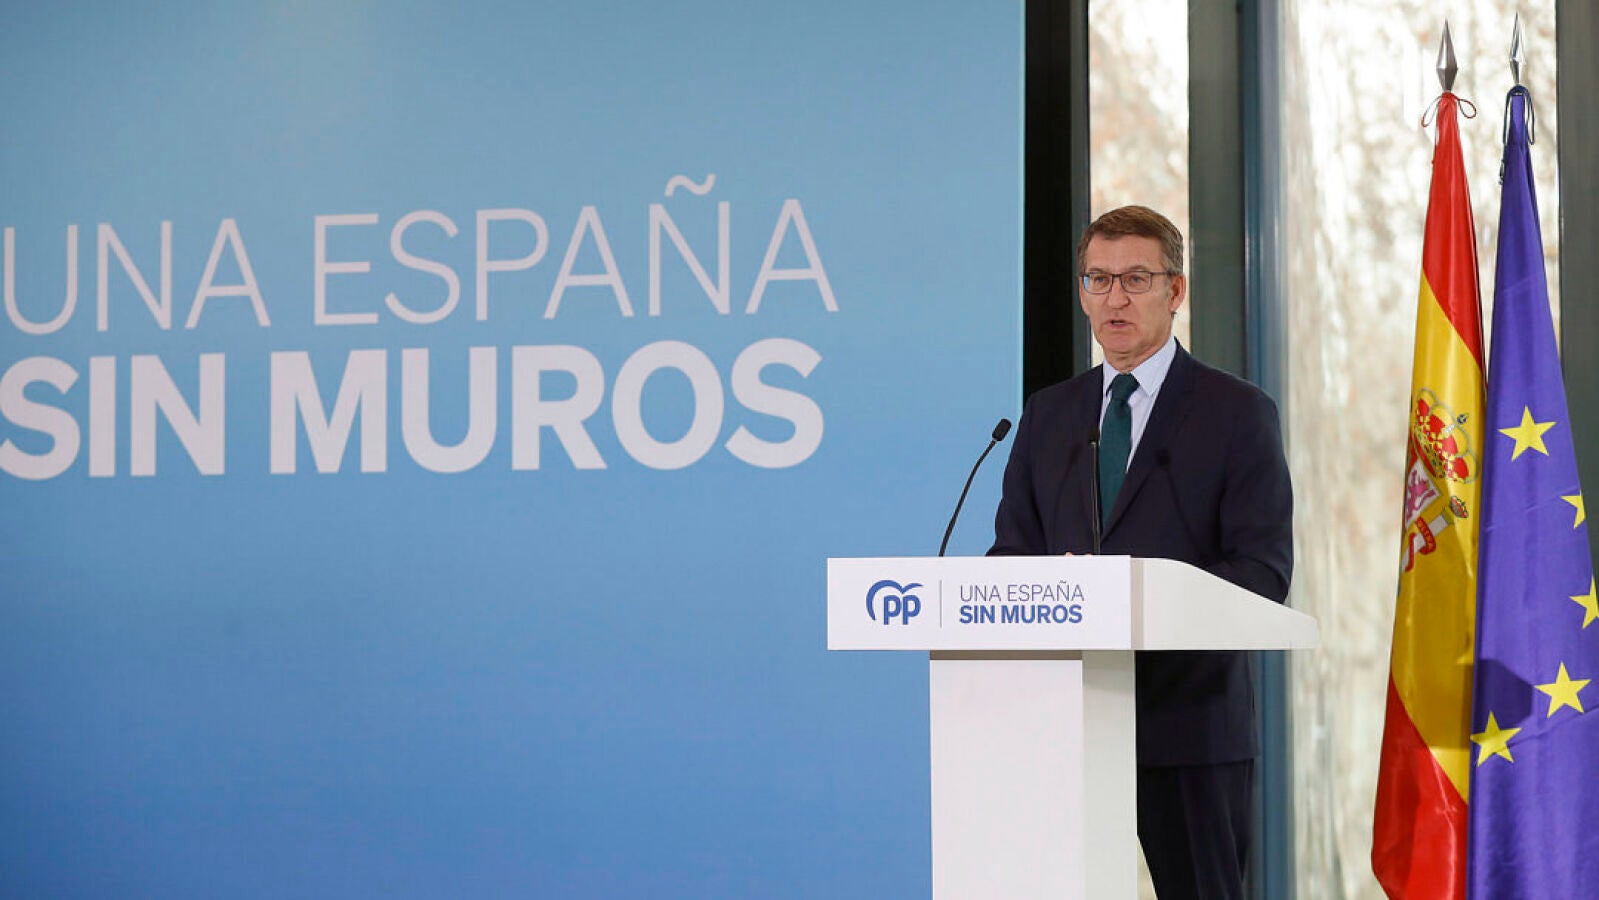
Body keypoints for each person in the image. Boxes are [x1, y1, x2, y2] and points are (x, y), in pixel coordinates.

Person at [989, 205, 1293, 898]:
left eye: (1135, 279)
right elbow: (1011, 557)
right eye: (1097, 279)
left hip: (1189, 725)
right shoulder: (1049, 414)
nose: (1114, 299)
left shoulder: (1235, 412)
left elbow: (1261, 571)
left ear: (1174, 290)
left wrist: (1138, 600)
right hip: (1064, 722)